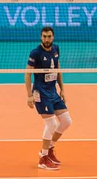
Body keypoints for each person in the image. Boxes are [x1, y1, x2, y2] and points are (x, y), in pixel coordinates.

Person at [25, 26, 72, 171]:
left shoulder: (56, 49)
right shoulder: (36, 53)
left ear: (53, 37)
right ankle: (43, 159)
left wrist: (62, 88)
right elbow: (27, 74)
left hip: (53, 92)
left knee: (66, 121)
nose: (47, 39)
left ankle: (50, 148)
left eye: (49, 36)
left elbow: (57, 69)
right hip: (41, 93)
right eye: (44, 36)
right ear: (41, 37)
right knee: (51, 124)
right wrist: (29, 95)